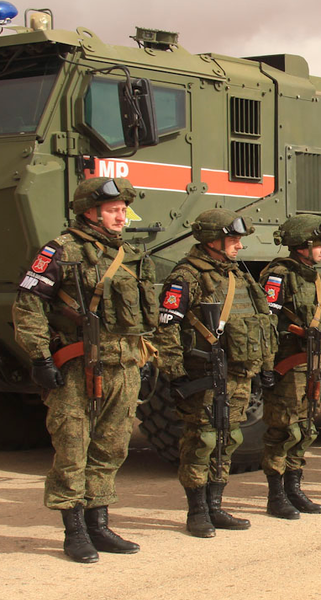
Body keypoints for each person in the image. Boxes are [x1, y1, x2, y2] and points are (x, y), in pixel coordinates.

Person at [13, 177, 156, 563]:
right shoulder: (61, 251)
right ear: (89, 212)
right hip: (78, 367)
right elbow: (29, 305)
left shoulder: (129, 254)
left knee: (111, 447)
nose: (120, 216)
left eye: (123, 210)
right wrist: (41, 358)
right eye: (112, 210)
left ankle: (100, 524)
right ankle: (74, 532)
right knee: (73, 449)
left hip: (124, 365)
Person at [153, 209, 276, 538]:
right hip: (204, 375)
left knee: (228, 439)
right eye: (233, 239)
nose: (238, 246)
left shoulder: (237, 275)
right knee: (202, 441)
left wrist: (265, 366)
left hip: (238, 374)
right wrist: (175, 373)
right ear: (212, 241)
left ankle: (216, 505)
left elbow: (262, 322)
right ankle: (197, 511)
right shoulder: (187, 276)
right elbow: (167, 327)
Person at [260, 214, 321, 517]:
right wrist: (265, 365)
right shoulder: (278, 275)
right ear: (302, 244)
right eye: (319, 244)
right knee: (283, 429)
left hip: (314, 365)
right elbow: (266, 322)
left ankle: (294, 488)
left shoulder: (315, 277)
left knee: (306, 429)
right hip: (289, 367)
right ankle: (276, 495)